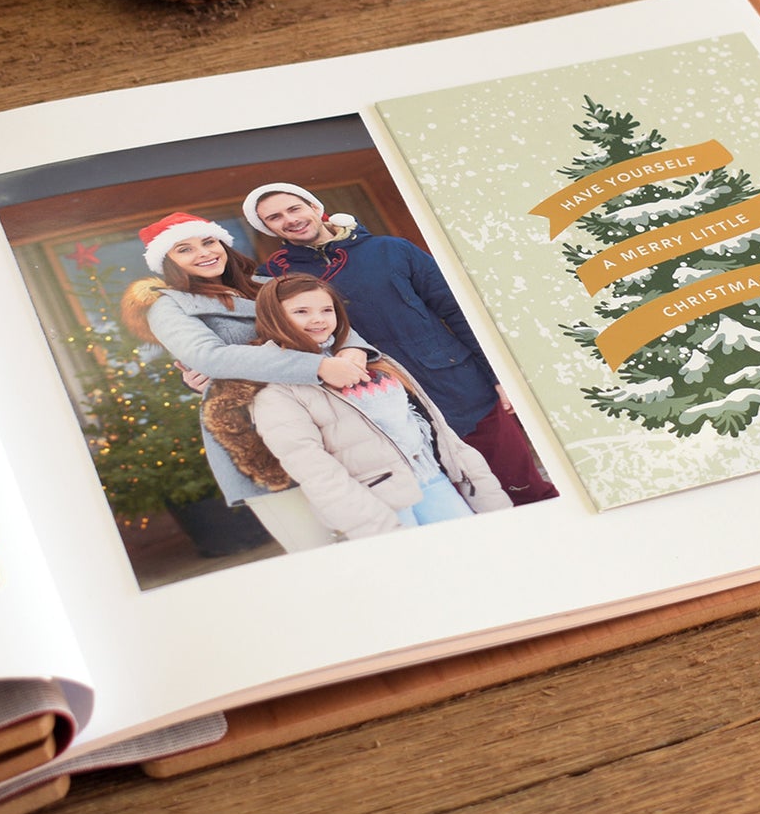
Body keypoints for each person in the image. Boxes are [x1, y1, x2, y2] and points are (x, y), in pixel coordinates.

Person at [246, 182, 558, 506]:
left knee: (523, 489)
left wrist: (497, 376)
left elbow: (459, 311)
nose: (289, 219)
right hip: (384, 407)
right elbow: (259, 331)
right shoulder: (275, 279)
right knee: (456, 507)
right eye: (274, 218)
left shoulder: (391, 249)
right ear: (268, 228)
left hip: (460, 388)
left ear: (314, 207)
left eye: (294, 208)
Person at [119, 212, 371, 554]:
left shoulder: (266, 284)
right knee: (319, 546)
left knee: (373, 525)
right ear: (167, 261)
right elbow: (209, 357)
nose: (204, 253)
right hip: (254, 432)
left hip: (330, 418)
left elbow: (329, 319)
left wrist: (353, 349)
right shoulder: (168, 306)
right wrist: (318, 365)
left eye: (208, 241)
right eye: (185, 249)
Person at [247, 274, 510, 541]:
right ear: (274, 317)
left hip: (431, 478)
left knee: (473, 550)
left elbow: (432, 426)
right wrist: (369, 522)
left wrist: (476, 480)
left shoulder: (373, 362)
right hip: (376, 501)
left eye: (327, 310)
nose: (318, 319)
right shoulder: (277, 390)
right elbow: (313, 469)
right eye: (301, 311)